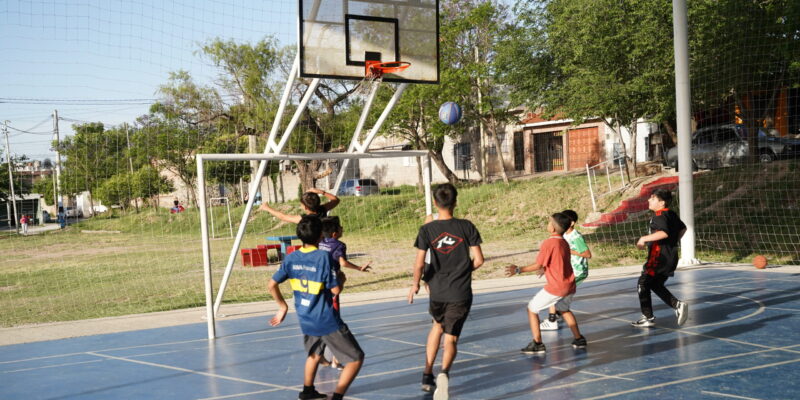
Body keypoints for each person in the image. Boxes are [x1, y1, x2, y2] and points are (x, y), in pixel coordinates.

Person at [267, 216, 364, 400]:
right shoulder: (323, 257)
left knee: (315, 353)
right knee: (356, 358)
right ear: (321, 235)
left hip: (305, 316)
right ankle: (337, 397)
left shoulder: (291, 257)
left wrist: (282, 307)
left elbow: (271, 285)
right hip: (325, 318)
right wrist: (341, 280)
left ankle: (308, 391)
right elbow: (335, 290)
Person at [408, 183, 484, 400]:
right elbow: (479, 259)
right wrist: (463, 271)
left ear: (434, 203)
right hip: (460, 293)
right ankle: (444, 373)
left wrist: (415, 284)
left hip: (437, 291)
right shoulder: (466, 226)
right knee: (450, 339)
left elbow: (419, 263)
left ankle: (427, 374)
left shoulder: (426, 230)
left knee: (436, 326)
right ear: (455, 202)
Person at [505, 213, 587, 354]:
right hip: (569, 285)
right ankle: (579, 339)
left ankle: (537, 343)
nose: (547, 224)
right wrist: (545, 269)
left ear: (553, 228)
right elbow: (557, 261)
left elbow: (538, 264)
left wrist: (518, 269)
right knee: (564, 309)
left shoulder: (549, 243)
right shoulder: (564, 242)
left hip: (556, 287)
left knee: (532, 309)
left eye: (549, 222)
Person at [318, 215, 372, 369]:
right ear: (335, 233)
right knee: (334, 322)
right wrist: (359, 268)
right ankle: (334, 359)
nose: (342, 228)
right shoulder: (339, 245)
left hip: (318, 283)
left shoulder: (320, 242)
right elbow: (343, 263)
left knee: (323, 319)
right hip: (332, 283)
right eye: (340, 227)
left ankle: (327, 357)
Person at [631, 189, 689, 327]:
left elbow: (664, 233)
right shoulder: (671, 213)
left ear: (661, 202)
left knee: (643, 283)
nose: (649, 200)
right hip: (670, 257)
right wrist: (672, 242)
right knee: (655, 284)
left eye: (652, 198)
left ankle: (648, 317)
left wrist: (643, 239)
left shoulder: (659, 216)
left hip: (659, 258)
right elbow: (683, 228)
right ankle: (677, 305)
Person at [539, 209, 592, 331]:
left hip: (577, 271)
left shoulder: (576, 236)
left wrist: (569, 251)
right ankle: (557, 314)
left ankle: (552, 321)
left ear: (572, 223)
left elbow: (587, 254)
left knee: (554, 293)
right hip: (569, 270)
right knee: (559, 295)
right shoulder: (563, 235)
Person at [260, 188, 339, 223]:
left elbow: (283, 217)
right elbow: (336, 200)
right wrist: (321, 192)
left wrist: (267, 208)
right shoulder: (323, 210)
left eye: (301, 204)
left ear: (305, 207)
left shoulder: (304, 219)